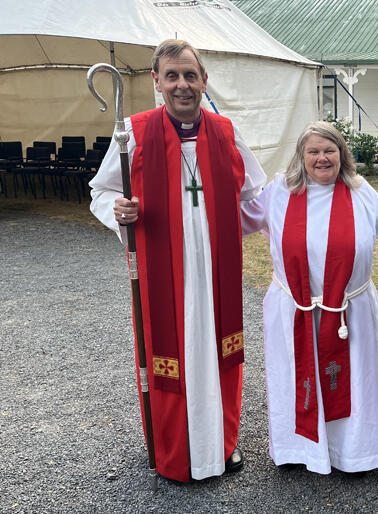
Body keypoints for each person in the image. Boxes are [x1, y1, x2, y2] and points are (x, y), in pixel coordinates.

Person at [89, 39, 266, 482]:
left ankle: (221, 443)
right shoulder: (134, 133)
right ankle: (173, 449)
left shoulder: (226, 132)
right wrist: (117, 209)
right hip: (165, 274)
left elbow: (254, 196)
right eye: (172, 76)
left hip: (216, 273)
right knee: (172, 355)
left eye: (190, 75)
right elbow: (101, 191)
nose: (182, 85)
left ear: (204, 80)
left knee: (218, 351)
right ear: (157, 81)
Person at [243, 121, 378, 474]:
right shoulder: (280, 191)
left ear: (342, 154)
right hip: (294, 308)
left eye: (329, 150)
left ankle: (353, 454)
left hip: (349, 311)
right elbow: (241, 218)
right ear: (301, 156)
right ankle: (297, 450)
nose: (322, 158)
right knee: (292, 378)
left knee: (352, 381)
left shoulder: (360, 191)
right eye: (313, 151)